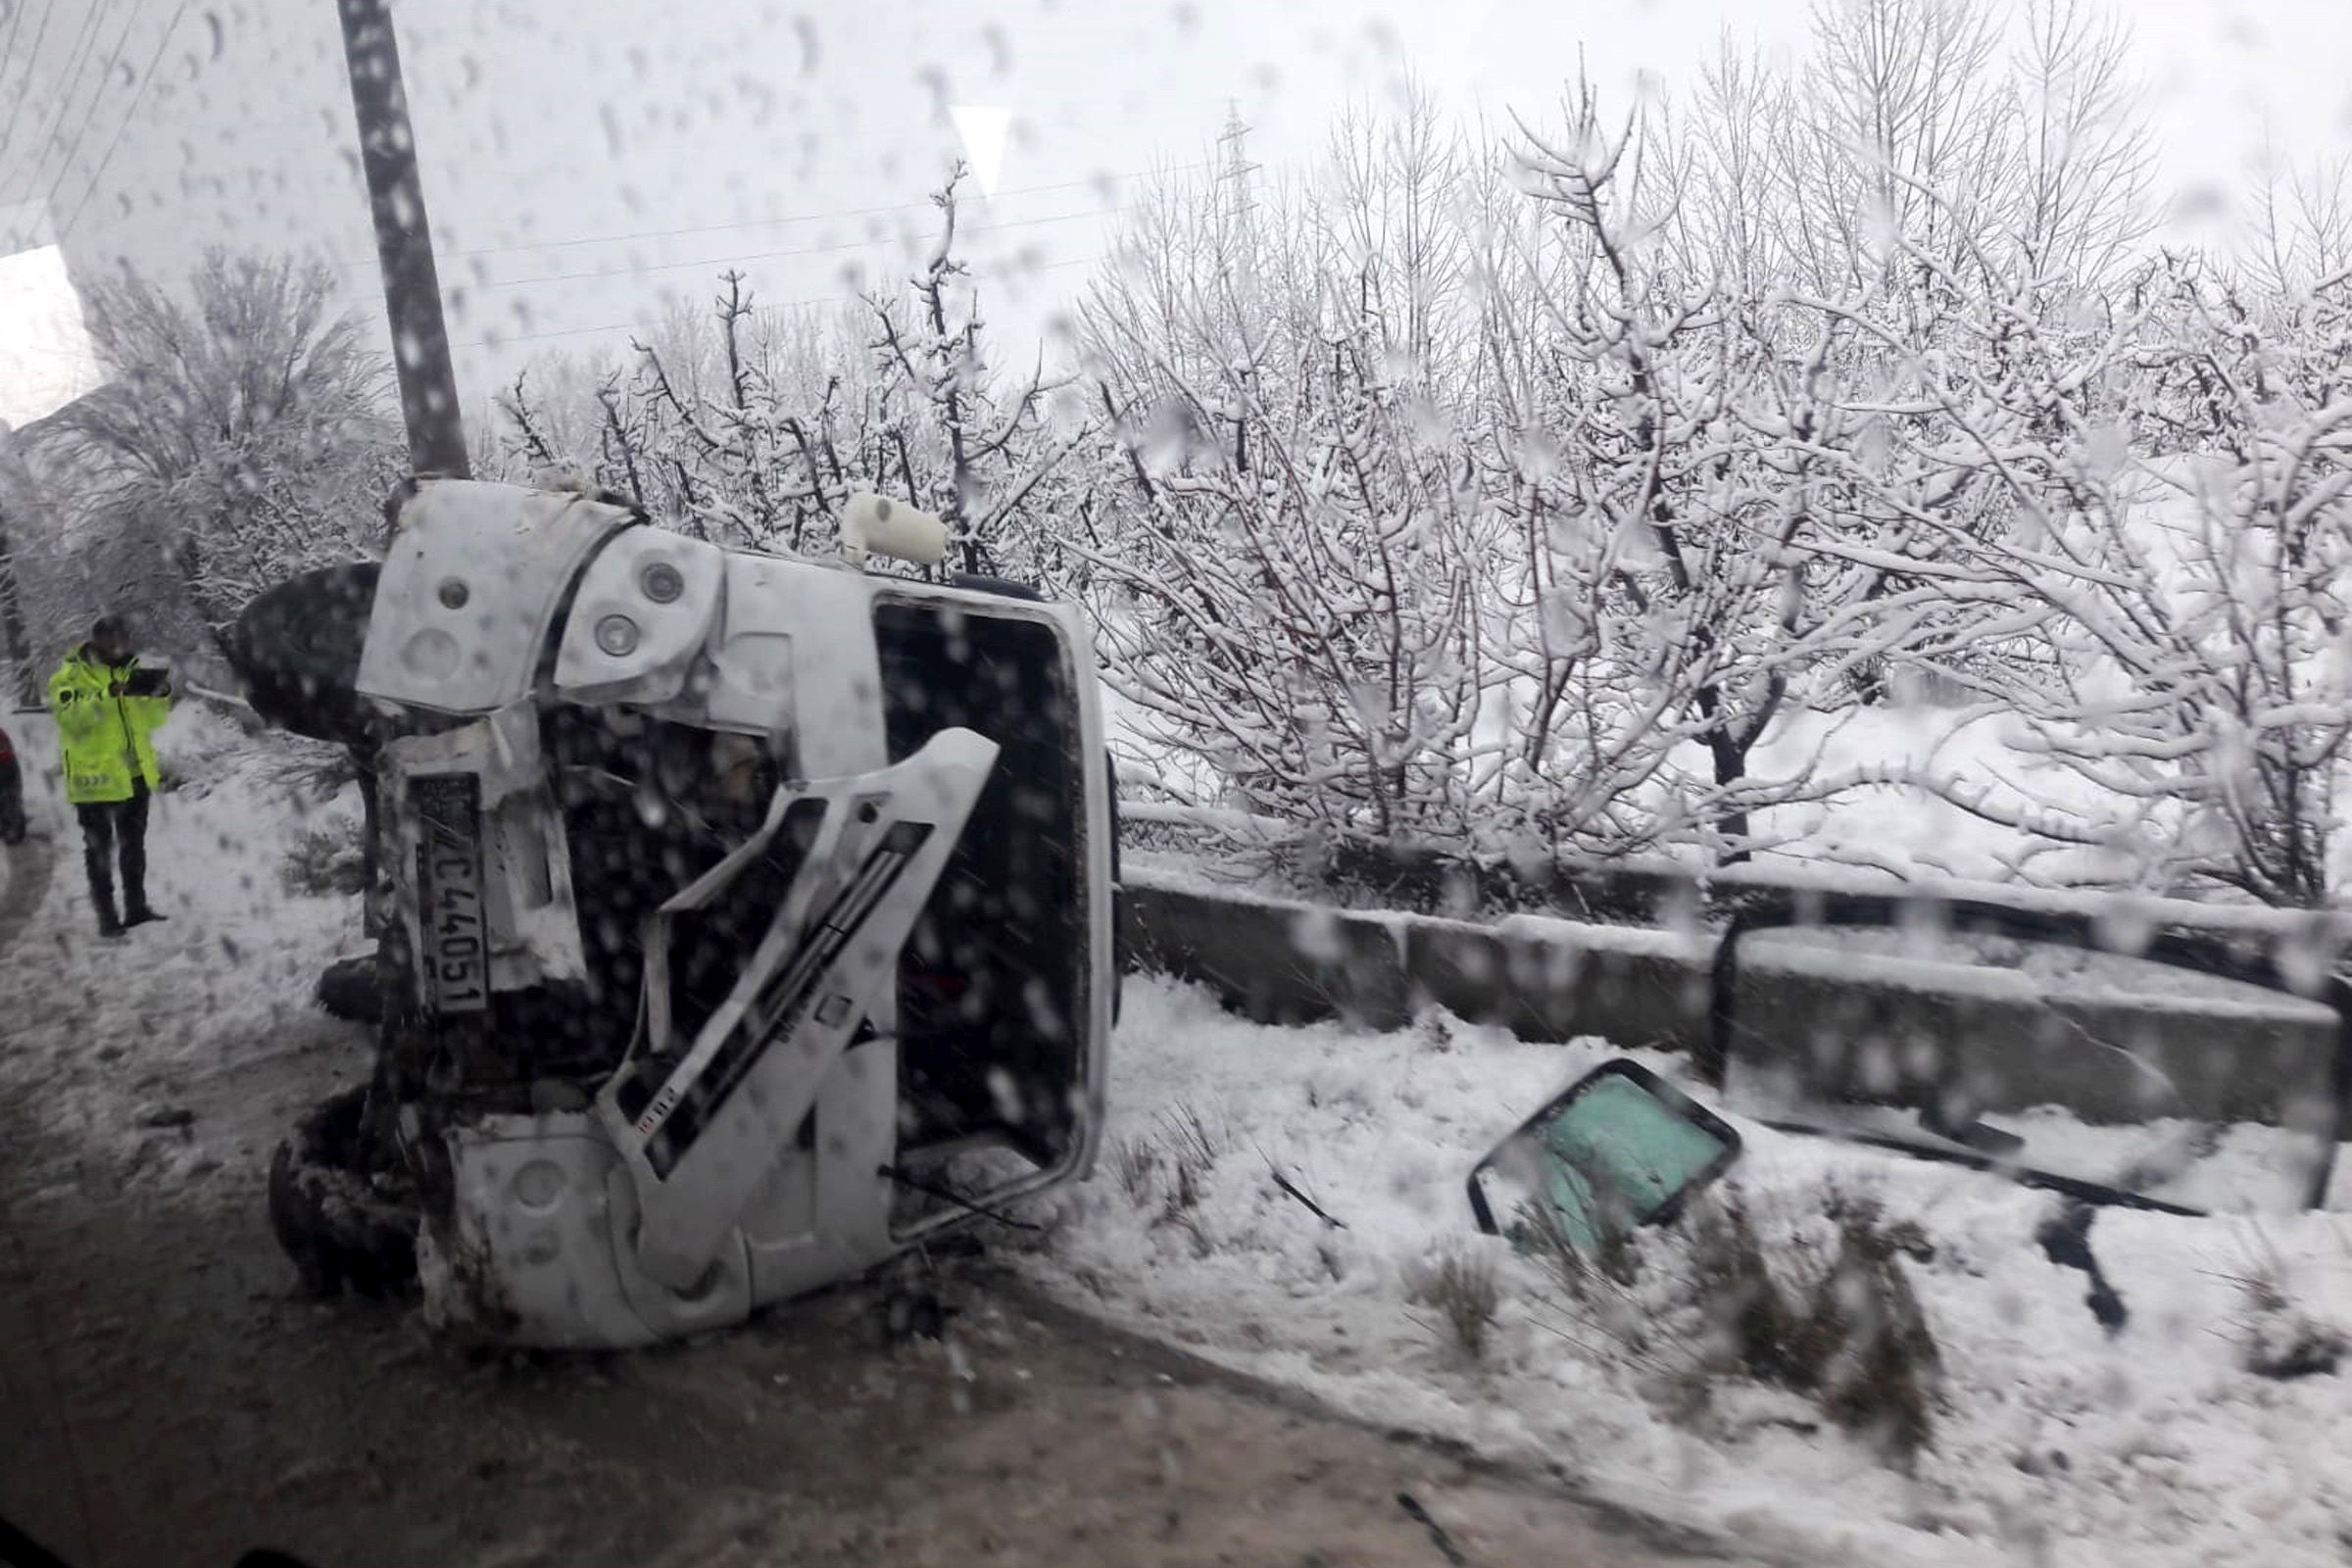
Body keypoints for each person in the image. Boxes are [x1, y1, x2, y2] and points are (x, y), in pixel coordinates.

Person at [47, 614, 174, 937]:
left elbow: (152, 720)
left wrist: (158, 695)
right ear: (97, 640)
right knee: (99, 850)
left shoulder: (131, 670)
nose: (119, 644)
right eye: (113, 639)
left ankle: (136, 908)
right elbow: (70, 718)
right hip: (95, 779)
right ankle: (107, 918)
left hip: (134, 773)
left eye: (124, 637)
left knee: (134, 845)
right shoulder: (71, 674)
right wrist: (107, 695)